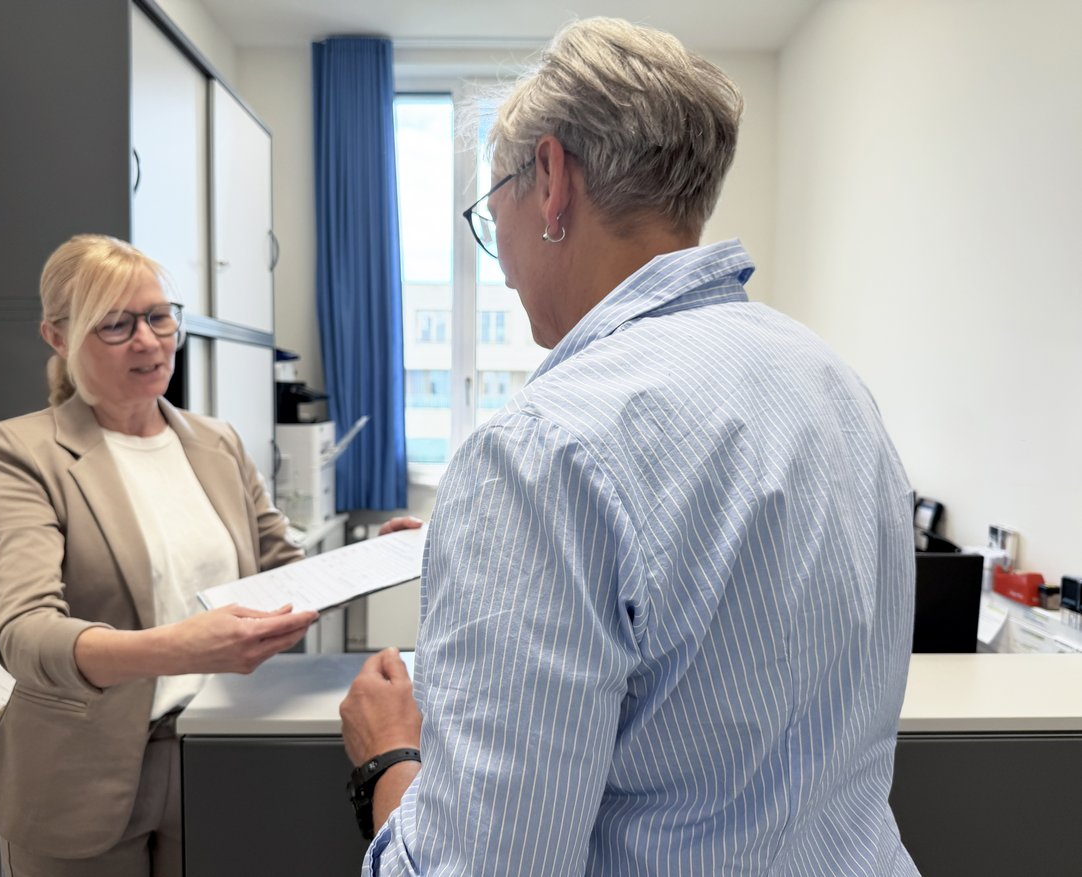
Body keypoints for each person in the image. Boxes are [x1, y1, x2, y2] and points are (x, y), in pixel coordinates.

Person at [340, 17, 921, 876]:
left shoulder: (538, 449)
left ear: (550, 179)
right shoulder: (832, 382)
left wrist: (389, 761)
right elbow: (720, 592)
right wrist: (484, 555)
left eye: (488, 202)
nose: (495, 251)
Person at [0, 234, 417, 877]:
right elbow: (26, 635)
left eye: (158, 316)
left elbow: (282, 570)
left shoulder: (215, 441)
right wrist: (183, 646)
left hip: (216, 739)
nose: (148, 341)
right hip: (79, 774)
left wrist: (371, 559)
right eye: (115, 325)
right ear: (59, 338)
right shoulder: (23, 451)